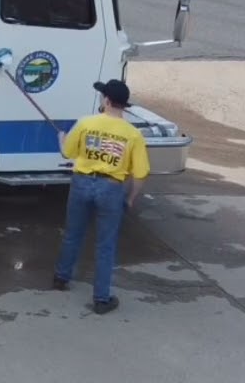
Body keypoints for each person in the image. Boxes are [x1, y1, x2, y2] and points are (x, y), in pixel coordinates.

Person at [51, 79, 151, 314]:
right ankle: (101, 299)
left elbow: (68, 152)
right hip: (111, 187)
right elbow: (141, 173)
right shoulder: (133, 134)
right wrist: (130, 197)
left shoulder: (86, 123)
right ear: (123, 105)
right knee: (105, 245)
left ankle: (60, 278)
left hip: (81, 183)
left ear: (106, 100)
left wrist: (62, 138)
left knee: (73, 234)